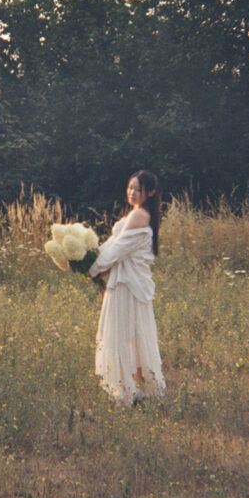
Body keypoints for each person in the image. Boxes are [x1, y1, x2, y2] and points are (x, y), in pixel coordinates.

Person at [87, 170, 165, 404]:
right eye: (130, 187)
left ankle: (127, 392)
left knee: (121, 333)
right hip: (126, 279)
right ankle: (132, 388)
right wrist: (93, 261)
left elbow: (118, 249)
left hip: (127, 284)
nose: (132, 192)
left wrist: (92, 267)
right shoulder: (137, 214)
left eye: (138, 189)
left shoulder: (140, 215)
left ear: (150, 192)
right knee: (130, 333)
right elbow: (115, 247)